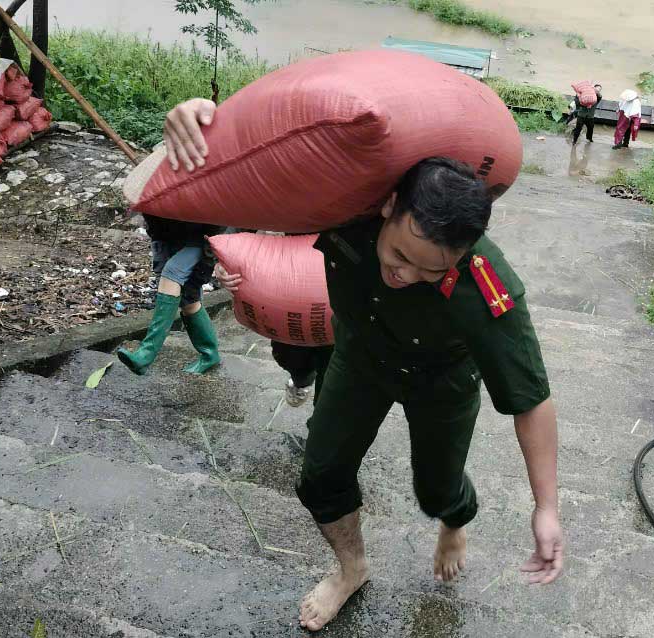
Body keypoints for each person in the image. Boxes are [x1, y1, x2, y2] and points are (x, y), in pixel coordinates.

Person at [165, 99, 564, 633]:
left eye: (431, 271)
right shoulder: (343, 209)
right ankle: (351, 569)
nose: (405, 274)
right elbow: (252, 171)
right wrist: (203, 119)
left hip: (441, 382)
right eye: (399, 254)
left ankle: (454, 519)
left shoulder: (487, 286)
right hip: (358, 357)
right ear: (389, 207)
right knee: (321, 473)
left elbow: (531, 400)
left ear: (464, 255)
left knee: (437, 489)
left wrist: (546, 508)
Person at [117, 214, 223, 376]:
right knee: (188, 300)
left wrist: (224, 252)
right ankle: (210, 354)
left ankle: (145, 354)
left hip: (202, 234)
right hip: (165, 233)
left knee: (171, 273)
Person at [215, 261, 333, 407]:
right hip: (287, 294)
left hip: (338, 296)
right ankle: (302, 379)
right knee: (288, 355)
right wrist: (225, 262)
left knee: (332, 372)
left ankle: (321, 420)